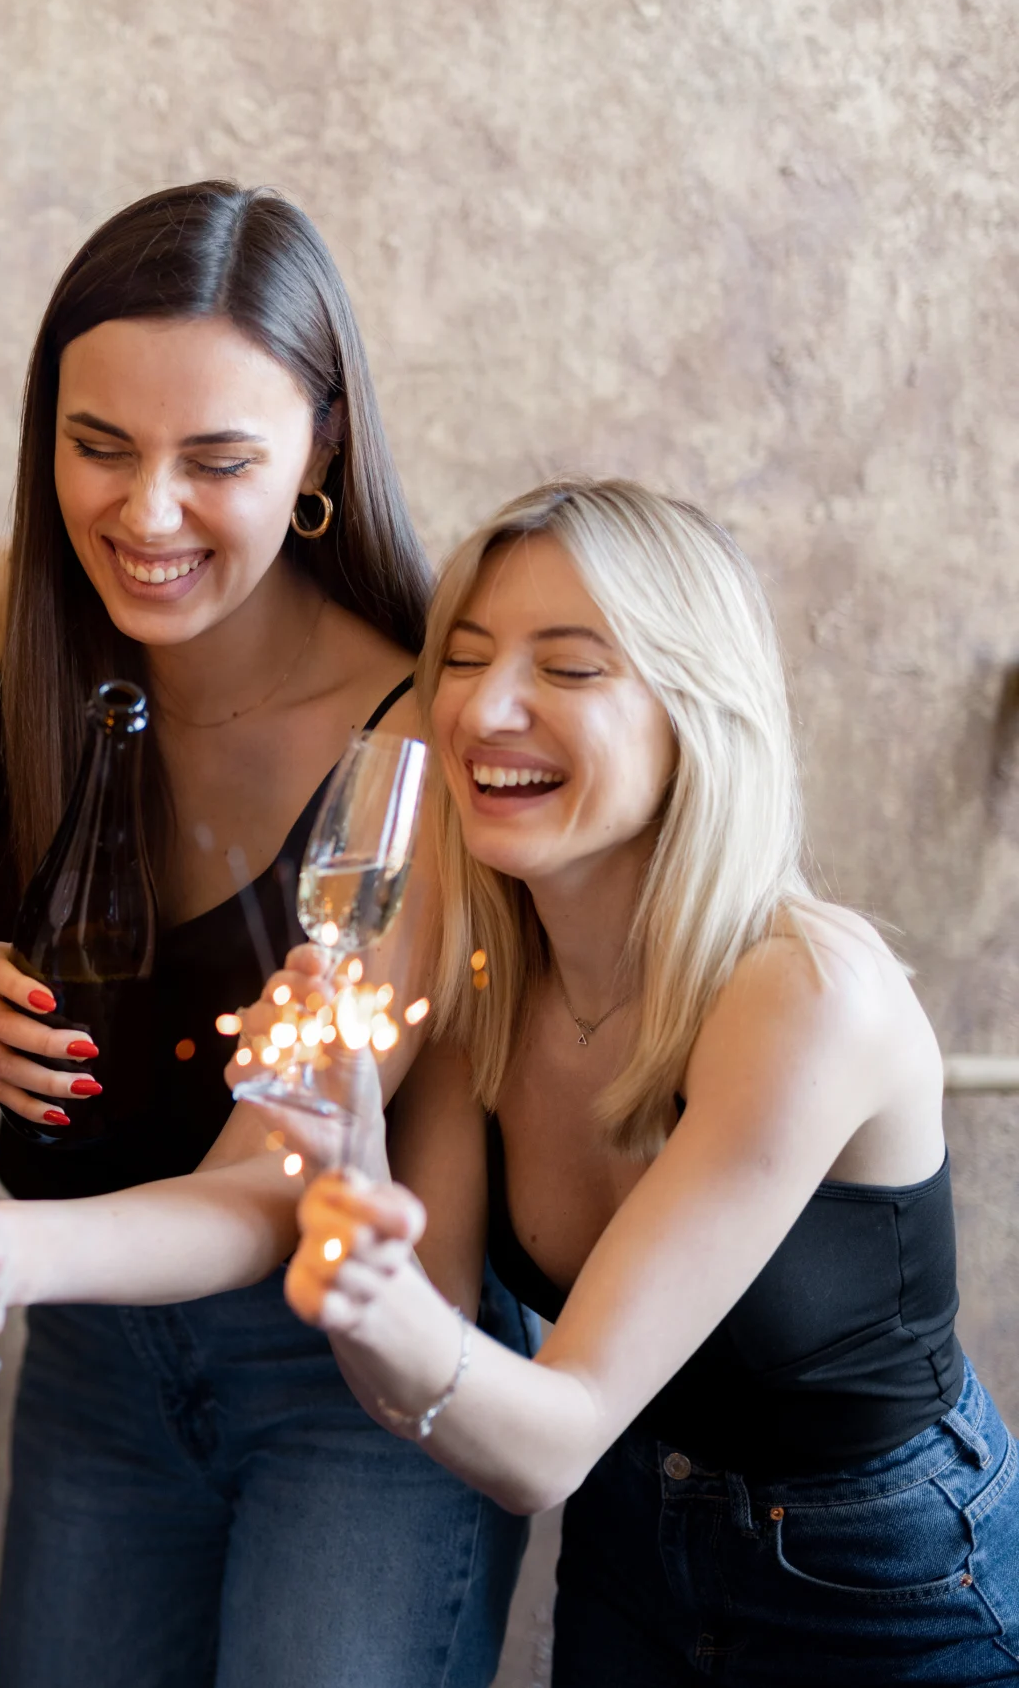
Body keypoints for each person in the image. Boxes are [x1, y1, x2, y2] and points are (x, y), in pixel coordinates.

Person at [0, 182, 524, 1686]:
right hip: (98, 1368)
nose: (144, 512)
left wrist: (5, 1246)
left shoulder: (421, 733)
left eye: (216, 461)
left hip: (350, 1385)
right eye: (97, 445)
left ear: (322, 452)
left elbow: (276, 1166)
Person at [281, 479, 1016, 1685]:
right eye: (460, 660)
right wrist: (341, 1137)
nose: (484, 707)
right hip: (633, 1540)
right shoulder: (488, 983)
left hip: (885, 1578)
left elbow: (543, 1441)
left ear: (697, 713)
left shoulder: (807, 994)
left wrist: (369, 1293)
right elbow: (419, 1357)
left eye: (569, 670)